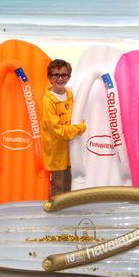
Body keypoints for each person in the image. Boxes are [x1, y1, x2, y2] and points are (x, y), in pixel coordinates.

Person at [41, 59, 86, 196]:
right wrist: (80, 128)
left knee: (69, 184)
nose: (60, 79)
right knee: (58, 186)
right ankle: (55, 213)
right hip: (57, 152)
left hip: (70, 150)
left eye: (64, 75)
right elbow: (58, 130)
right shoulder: (48, 101)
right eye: (56, 75)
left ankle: (67, 214)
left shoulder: (69, 95)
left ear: (68, 77)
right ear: (50, 78)